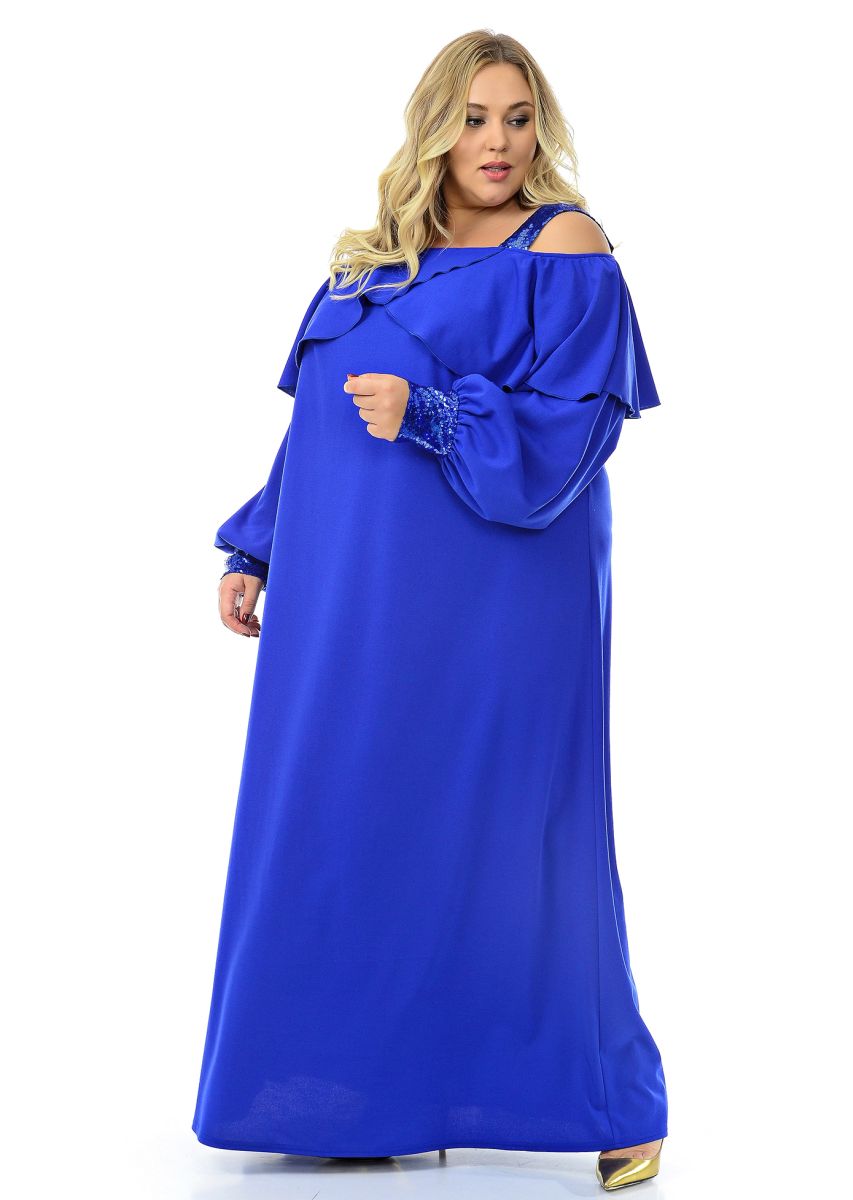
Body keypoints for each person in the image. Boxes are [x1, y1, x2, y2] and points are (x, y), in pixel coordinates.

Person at [192, 30, 669, 1192]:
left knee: (523, 838)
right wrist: (260, 541)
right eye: (473, 118)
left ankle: (611, 1103)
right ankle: (371, 1091)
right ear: (435, 130)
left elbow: (568, 438)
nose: (497, 142)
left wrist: (433, 412)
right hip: (352, 592)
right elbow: (315, 423)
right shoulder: (372, 262)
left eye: (517, 117)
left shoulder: (566, 246)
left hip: (498, 599)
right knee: (355, 817)